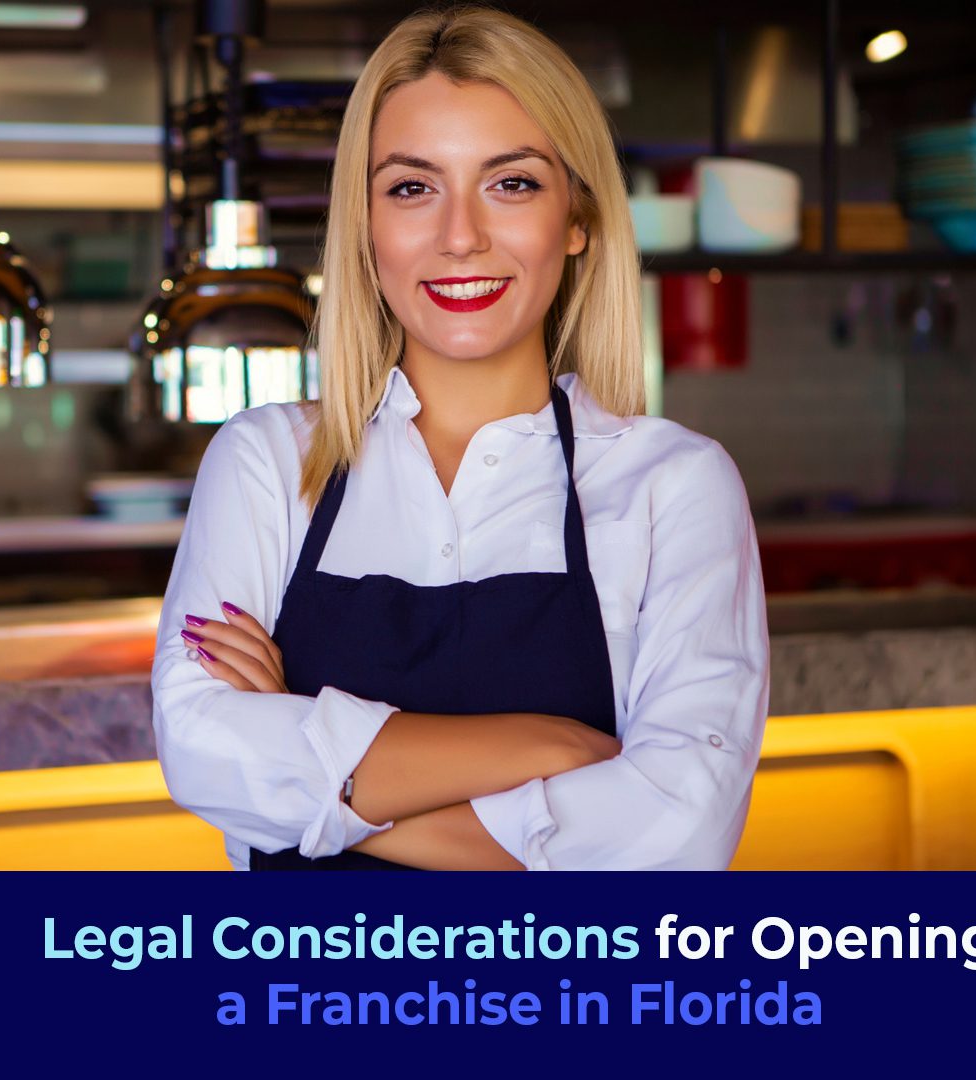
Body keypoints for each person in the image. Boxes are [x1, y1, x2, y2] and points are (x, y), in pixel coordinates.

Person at [152, 4, 768, 870]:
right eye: (412, 187)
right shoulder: (265, 462)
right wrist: (542, 751)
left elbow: (678, 833)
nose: (460, 236)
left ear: (578, 218)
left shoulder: (676, 485)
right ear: (365, 230)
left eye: (511, 183)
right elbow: (204, 751)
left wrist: (323, 796)